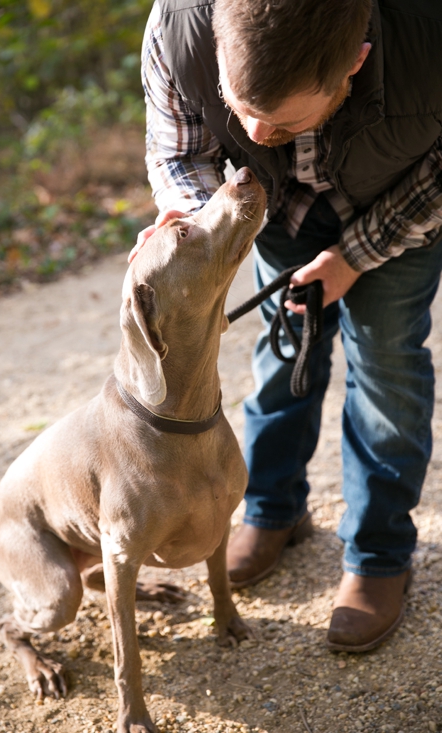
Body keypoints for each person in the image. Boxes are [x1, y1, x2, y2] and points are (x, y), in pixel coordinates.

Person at [136, 0, 442, 652]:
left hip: (401, 214)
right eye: (236, 101)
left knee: (387, 364)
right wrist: (198, 224)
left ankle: (379, 553)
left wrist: (355, 256)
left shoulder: (429, 35)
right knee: (280, 361)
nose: (247, 129)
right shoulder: (179, 25)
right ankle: (275, 510)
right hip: (282, 217)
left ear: (354, 64)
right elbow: (178, 151)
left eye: (276, 123)